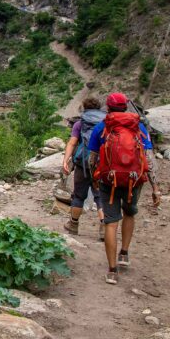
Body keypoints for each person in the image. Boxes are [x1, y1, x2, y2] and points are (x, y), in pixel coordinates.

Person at [87, 92, 161, 285]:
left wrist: (94, 179)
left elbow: (92, 159)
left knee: (111, 223)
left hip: (108, 181)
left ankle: (112, 271)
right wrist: (155, 187)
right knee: (129, 214)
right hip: (133, 181)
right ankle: (124, 254)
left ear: (108, 108)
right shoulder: (139, 127)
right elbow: (149, 159)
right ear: (126, 107)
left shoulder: (102, 127)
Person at [61, 98, 107, 238]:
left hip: (82, 164)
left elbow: (72, 143)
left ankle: (73, 224)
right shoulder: (105, 123)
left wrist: (66, 160)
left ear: (84, 108)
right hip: (100, 164)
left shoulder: (80, 124)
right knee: (100, 196)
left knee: (79, 195)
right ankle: (104, 227)